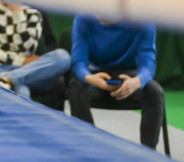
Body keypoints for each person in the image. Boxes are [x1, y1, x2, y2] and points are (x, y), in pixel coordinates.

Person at [67, 14, 164, 149]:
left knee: (155, 92)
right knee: (76, 88)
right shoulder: (83, 18)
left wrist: (137, 81)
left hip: (130, 76)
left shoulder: (143, 20)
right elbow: (79, 61)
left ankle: (148, 153)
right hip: (96, 75)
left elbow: (148, 63)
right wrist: (89, 77)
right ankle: (89, 149)